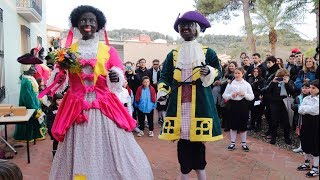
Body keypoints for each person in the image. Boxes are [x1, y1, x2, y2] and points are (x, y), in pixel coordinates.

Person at [47, 5, 153, 179]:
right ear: (76, 24)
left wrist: (115, 76)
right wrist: (60, 71)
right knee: (79, 147)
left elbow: (119, 71)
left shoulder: (108, 50)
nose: (87, 23)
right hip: (76, 107)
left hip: (103, 105)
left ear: (98, 25)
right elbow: (58, 81)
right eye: (83, 20)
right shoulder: (67, 52)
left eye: (91, 21)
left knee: (111, 147)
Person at [157, 11, 222, 180]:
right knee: (183, 145)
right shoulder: (173, 54)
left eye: (189, 25)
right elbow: (165, 75)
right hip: (179, 106)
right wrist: (163, 92)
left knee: (199, 146)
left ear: (197, 29)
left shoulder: (209, 52)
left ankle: (200, 174)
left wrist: (209, 71)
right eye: (182, 25)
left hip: (199, 104)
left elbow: (218, 71)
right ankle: (184, 173)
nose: (185, 28)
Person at [14, 53, 46, 142]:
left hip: (35, 104)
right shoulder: (26, 82)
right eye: (33, 67)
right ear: (27, 68)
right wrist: (35, 109)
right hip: (31, 107)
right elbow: (28, 98)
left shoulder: (29, 78)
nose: (35, 70)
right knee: (29, 123)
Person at [222, 67, 254, 151]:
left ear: (243, 74)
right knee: (233, 125)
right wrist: (231, 95)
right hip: (233, 105)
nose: (237, 75)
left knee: (243, 125)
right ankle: (232, 143)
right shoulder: (231, 84)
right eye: (235, 73)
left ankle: (244, 144)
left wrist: (245, 94)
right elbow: (224, 95)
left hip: (243, 105)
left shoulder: (246, 84)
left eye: (239, 73)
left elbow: (252, 97)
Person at [264, 68, 295, 145]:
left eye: (283, 76)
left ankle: (287, 137)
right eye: (280, 76)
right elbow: (267, 91)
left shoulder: (289, 82)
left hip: (285, 103)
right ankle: (273, 136)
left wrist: (287, 83)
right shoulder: (274, 82)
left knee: (286, 122)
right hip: (274, 103)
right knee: (274, 121)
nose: (281, 78)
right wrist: (273, 82)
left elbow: (292, 92)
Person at [297, 79, 319, 178]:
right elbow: (300, 109)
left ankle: (315, 168)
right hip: (306, 124)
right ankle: (306, 163)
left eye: (314, 88)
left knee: (315, 144)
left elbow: (316, 111)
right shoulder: (306, 99)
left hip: (316, 125)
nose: (311, 89)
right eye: (310, 87)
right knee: (305, 142)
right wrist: (307, 109)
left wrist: (306, 109)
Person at [291, 82, 310, 153]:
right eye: (303, 88)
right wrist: (299, 107)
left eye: (306, 88)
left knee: (308, 133)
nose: (304, 89)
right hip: (299, 118)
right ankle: (301, 146)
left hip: (308, 118)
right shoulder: (298, 97)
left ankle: (308, 148)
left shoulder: (311, 98)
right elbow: (292, 106)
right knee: (300, 133)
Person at [247, 67, 265, 132]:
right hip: (252, 97)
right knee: (252, 112)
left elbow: (262, 88)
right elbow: (250, 87)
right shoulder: (250, 78)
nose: (255, 73)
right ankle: (252, 125)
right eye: (254, 71)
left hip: (258, 98)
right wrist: (255, 83)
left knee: (258, 112)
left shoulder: (262, 79)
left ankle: (258, 126)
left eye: (257, 71)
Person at [46, 93, 63, 158]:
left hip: (62, 127)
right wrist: (50, 130)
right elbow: (49, 121)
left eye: (62, 100)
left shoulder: (64, 107)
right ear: (55, 100)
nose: (60, 101)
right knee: (56, 142)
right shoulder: (51, 109)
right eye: (58, 100)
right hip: (55, 128)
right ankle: (55, 156)